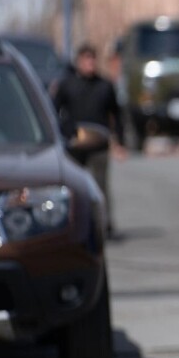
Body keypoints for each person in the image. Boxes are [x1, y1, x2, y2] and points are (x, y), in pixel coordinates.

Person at [53, 43, 126, 236]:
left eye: (92, 59)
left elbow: (116, 114)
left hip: (99, 145)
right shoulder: (67, 85)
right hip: (74, 145)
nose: (90, 63)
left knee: (100, 186)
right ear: (79, 61)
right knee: (73, 187)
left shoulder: (105, 86)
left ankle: (104, 224)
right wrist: (64, 132)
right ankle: (70, 225)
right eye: (86, 59)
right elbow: (53, 110)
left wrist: (120, 143)